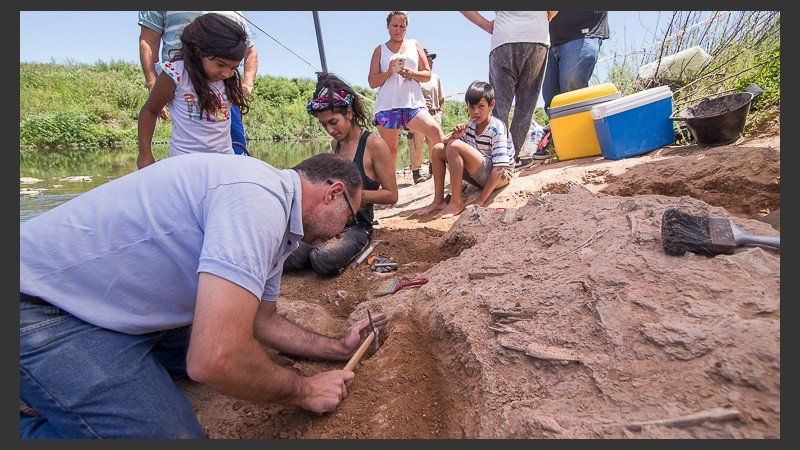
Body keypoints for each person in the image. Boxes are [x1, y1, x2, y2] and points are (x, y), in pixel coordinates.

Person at [19, 152, 389, 438]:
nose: (340, 234)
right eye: (348, 218)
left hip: (109, 305)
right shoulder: (258, 201)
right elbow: (214, 358)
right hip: (40, 305)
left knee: (252, 360)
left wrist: (338, 349)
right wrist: (304, 390)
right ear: (333, 193)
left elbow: (263, 322)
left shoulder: (279, 217)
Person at [284, 73, 398, 276]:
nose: (330, 130)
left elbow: (392, 195)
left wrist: (350, 196)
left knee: (323, 258)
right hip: (328, 221)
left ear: (349, 113)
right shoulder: (335, 144)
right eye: (324, 125)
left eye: (333, 122)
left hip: (357, 226)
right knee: (289, 254)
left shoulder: (374, 145)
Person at [137, 13, 251, 169]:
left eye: (233, 67)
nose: (226, 73)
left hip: (223, 163)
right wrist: (145, 155)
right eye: (220, 64)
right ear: (198, 51)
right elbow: (149, 111)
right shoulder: (176, 74)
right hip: (184, 165)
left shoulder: (227, 80)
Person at [460, 11, 557, 167]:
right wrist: (547, 15)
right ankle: (512, 157)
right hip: (536, 35)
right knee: (525, 106)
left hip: (504, 37)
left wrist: (486, 25)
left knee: (499, 106)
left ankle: (498, 157)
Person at [419, 81, 514, 218]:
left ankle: (456, 203)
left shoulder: (496, 128)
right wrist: (454, 136)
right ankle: (438, 201)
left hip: (501, 177)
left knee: (454, 145)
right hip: (481, 174)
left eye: (481, 106)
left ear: (491, 105)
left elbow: (499, 168)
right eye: (472, 107)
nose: (476, 112)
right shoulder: (470, 126)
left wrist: (480, 200)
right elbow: (448, 148)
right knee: (438, 149)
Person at [368, 11, 446, 167]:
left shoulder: (414, 44)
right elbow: (372, 82)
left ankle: (448, 175)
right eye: (394, 26)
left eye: (402, 26)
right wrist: (388, 72)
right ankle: (390, 183)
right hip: (387, 106)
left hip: (413, 105)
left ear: (407, 27)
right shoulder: (380, 50)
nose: (398, 30)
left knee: (436, 132)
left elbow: (427, 74)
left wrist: (412, 74)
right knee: (391, 151)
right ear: (387, 26)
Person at [538, 11, 609, 160]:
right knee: (551, 98)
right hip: (548, 38)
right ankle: (560, 141)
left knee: (571, 87)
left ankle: (583, 141)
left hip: (582, 31)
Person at [405, 48, 445, 184]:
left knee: (435, 143)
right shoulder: (412, 78)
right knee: (416, 143)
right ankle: (416, 172)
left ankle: (434, 168)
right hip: (417, 114)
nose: (431, 62)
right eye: (428, 59)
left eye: (431, 60)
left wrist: (439, 112)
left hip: (434, 114)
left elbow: (441, 98)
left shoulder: (436, 78)